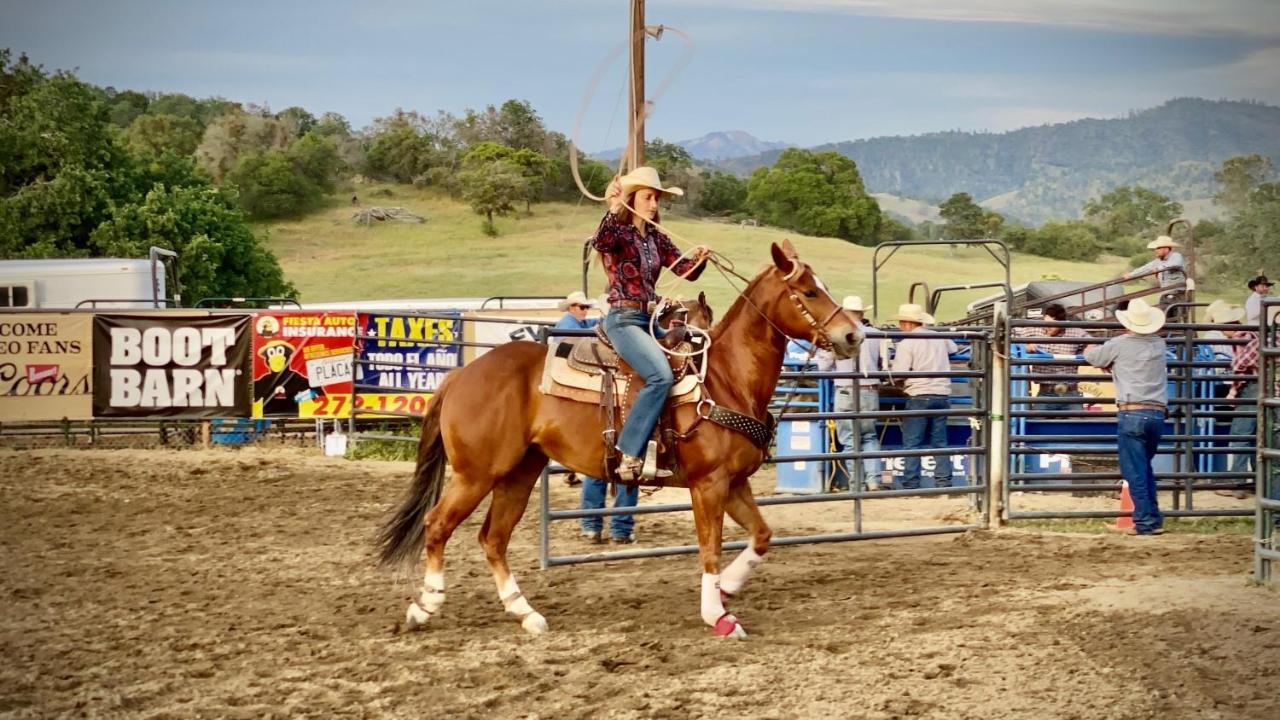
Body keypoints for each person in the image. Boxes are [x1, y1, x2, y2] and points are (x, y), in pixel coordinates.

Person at [592, 167, 711, 482]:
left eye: (657, 197)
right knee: (659, 375)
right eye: (648, 196)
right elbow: (600, 242)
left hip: (649, 320)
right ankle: (629, 452)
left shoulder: (656, 238)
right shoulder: (618, 233)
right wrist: (614, 208)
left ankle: (669, 442)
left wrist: (700, 258)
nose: (654, 203)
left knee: (692, 355)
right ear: (633, 198)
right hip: (624, 319)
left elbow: (686, 270)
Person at [554, 291, 640, 543]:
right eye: (580, 307)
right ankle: (619, 529)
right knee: (627, 461)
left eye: (585, 307)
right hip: (609, 398)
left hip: (596, 400)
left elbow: (598, 329)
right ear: (571, 308)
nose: (584, 310)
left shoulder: (583, 325)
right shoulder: (570, 327)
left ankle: (592, 524)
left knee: (598, 465)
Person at [1083, 298, 1168, 536]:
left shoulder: (1120, 343)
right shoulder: (1159, 345)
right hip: (1157, 412)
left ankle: (1145, 522)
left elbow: (1095, 357)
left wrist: (1090, 351)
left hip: (1132, 411)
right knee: (1145, 468)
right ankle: (1152, 518)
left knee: (1135, 471)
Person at [817, 296, 885, 491]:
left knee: (849, 439)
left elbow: (823, 365)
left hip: (845, 390)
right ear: (862, 313)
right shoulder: (876, 334)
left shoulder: (837, 335)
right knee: (869, 437)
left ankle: (857, 484)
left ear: (844, 313)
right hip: (869, 389)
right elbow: (884, 362)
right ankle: (874, 481)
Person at [890, 303, 958, 490]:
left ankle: (911, 483)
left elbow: (899, 373)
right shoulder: (939, 337)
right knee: (940, 442)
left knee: (912, 442)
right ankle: (943, 482)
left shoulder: (906, 344)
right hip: (942, 393)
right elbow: (955, 350)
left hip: (919, 394)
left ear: (905, 323)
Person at [1019, 303, 1090, 412]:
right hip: (1045, 392)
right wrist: (1026, 347)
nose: (1047, 327)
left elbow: (1093, 344)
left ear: (1062, 323)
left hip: (1070, 393)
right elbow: (1011, 338)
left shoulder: (1076, 332)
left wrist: (1088, 350)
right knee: (1037, 426)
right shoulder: (1034, 329)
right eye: (1045, 323)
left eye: (1051, 324)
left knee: (1077, 426)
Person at [1219, 304, 1258, 499]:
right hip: (1260, 386)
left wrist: (1233, 391)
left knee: (1240, 434)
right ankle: (1258, 481)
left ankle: (1238, 483)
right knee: (1257, 436)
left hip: (1251, 388)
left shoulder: (1242, 338)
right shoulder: (1250, 334)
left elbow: (1241, 366)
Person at [1123, 235, 1186, 314]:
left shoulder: (1176, 256)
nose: (1156, 250)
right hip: (1165, 294)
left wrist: (1159, 268)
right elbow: (1145, 268)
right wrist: (1131, 274)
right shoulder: (1158, 261)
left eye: (1158, 248)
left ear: (1166, 249)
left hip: (1177, 294)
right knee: (1163, 316)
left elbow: (1175, 265)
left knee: (1172, 317)